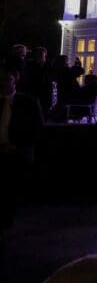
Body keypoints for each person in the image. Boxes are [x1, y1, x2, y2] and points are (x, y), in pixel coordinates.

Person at [0, 66, 44, 233]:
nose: (3, 84)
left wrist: (17, 145)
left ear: (15, 80)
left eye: (6, 80)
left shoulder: (28, 102)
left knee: (10, 189)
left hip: (17, 152)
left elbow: (36, 127)